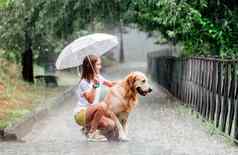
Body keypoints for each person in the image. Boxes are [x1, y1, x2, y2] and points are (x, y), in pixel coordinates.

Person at [73, 54, 118, 140]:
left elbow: (111, 84)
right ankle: (92, 133)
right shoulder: (84, 82)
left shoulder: (98, 77)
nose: (100, 67)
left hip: (92, 112)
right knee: (103, 105)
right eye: (98, 64)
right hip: (81, 114)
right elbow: (90, 100)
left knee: (111, 124)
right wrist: (95, 85)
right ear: (90, 66)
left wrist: (126, 81)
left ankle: (87, 128)